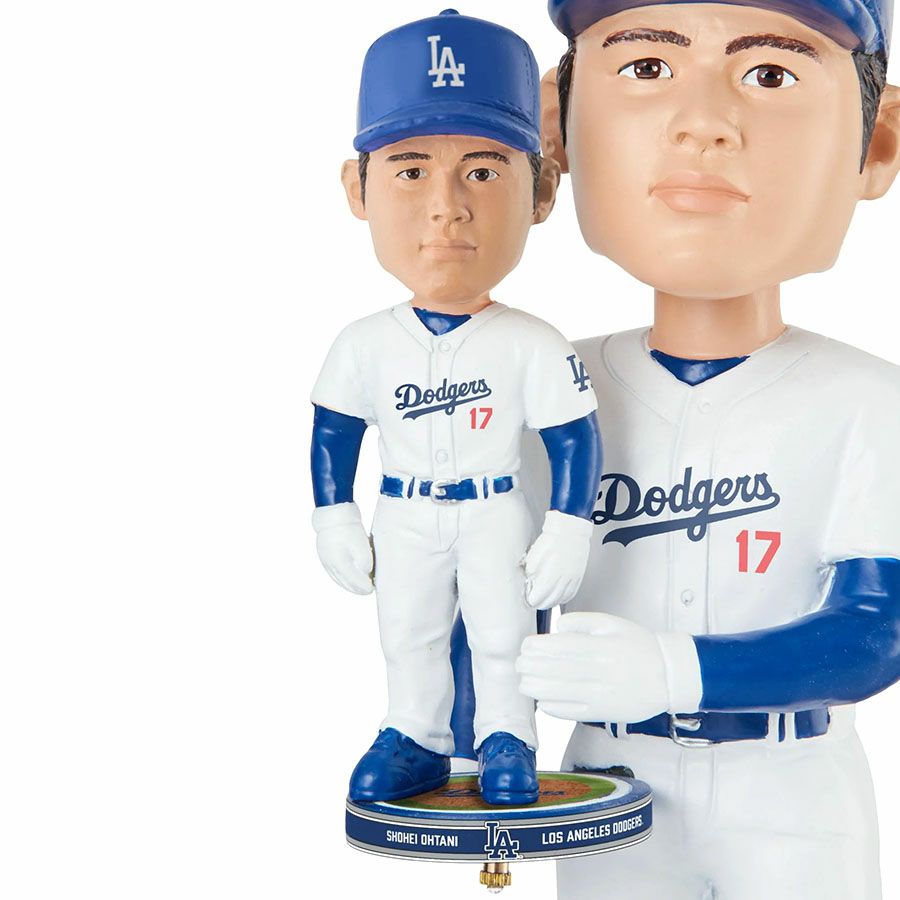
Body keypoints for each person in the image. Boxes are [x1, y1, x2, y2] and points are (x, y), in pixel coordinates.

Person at [455, 0, 900, 894]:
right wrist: (472, 747)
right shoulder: (544, 385)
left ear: (877, 142)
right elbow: (489, 599)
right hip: (607, 781)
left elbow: (879, 628)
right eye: (647, 67)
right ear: (556, 124)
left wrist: (674, 670)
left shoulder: (867, 398)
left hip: (791, 787)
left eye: (768, 74)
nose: (703, 123)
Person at [311, 9, 602, 806]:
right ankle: (415, 736)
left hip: (494, 507)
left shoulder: (532, 342)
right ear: (358, 189)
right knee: (408, 632)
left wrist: (569, 525)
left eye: (482, 171)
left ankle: (508, 736)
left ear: (541, 190)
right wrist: (333, 514)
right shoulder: (365, 342)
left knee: (504, 633)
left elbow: (573, 436)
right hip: (404, 511)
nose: (447, 206)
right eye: (410, 171)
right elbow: (335, 428)